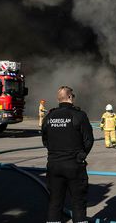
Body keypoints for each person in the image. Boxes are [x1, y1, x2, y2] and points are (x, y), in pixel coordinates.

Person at [42, 86, 94, 223]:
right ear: (70, 97)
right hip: (74, 166)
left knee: (54, 202)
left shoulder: (49, 117)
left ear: (58, 99)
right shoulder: (79, 115)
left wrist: (55, 153)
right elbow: (88, 140)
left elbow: (45, 140)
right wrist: (81, 155)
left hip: (54, 165)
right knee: (78, 202)